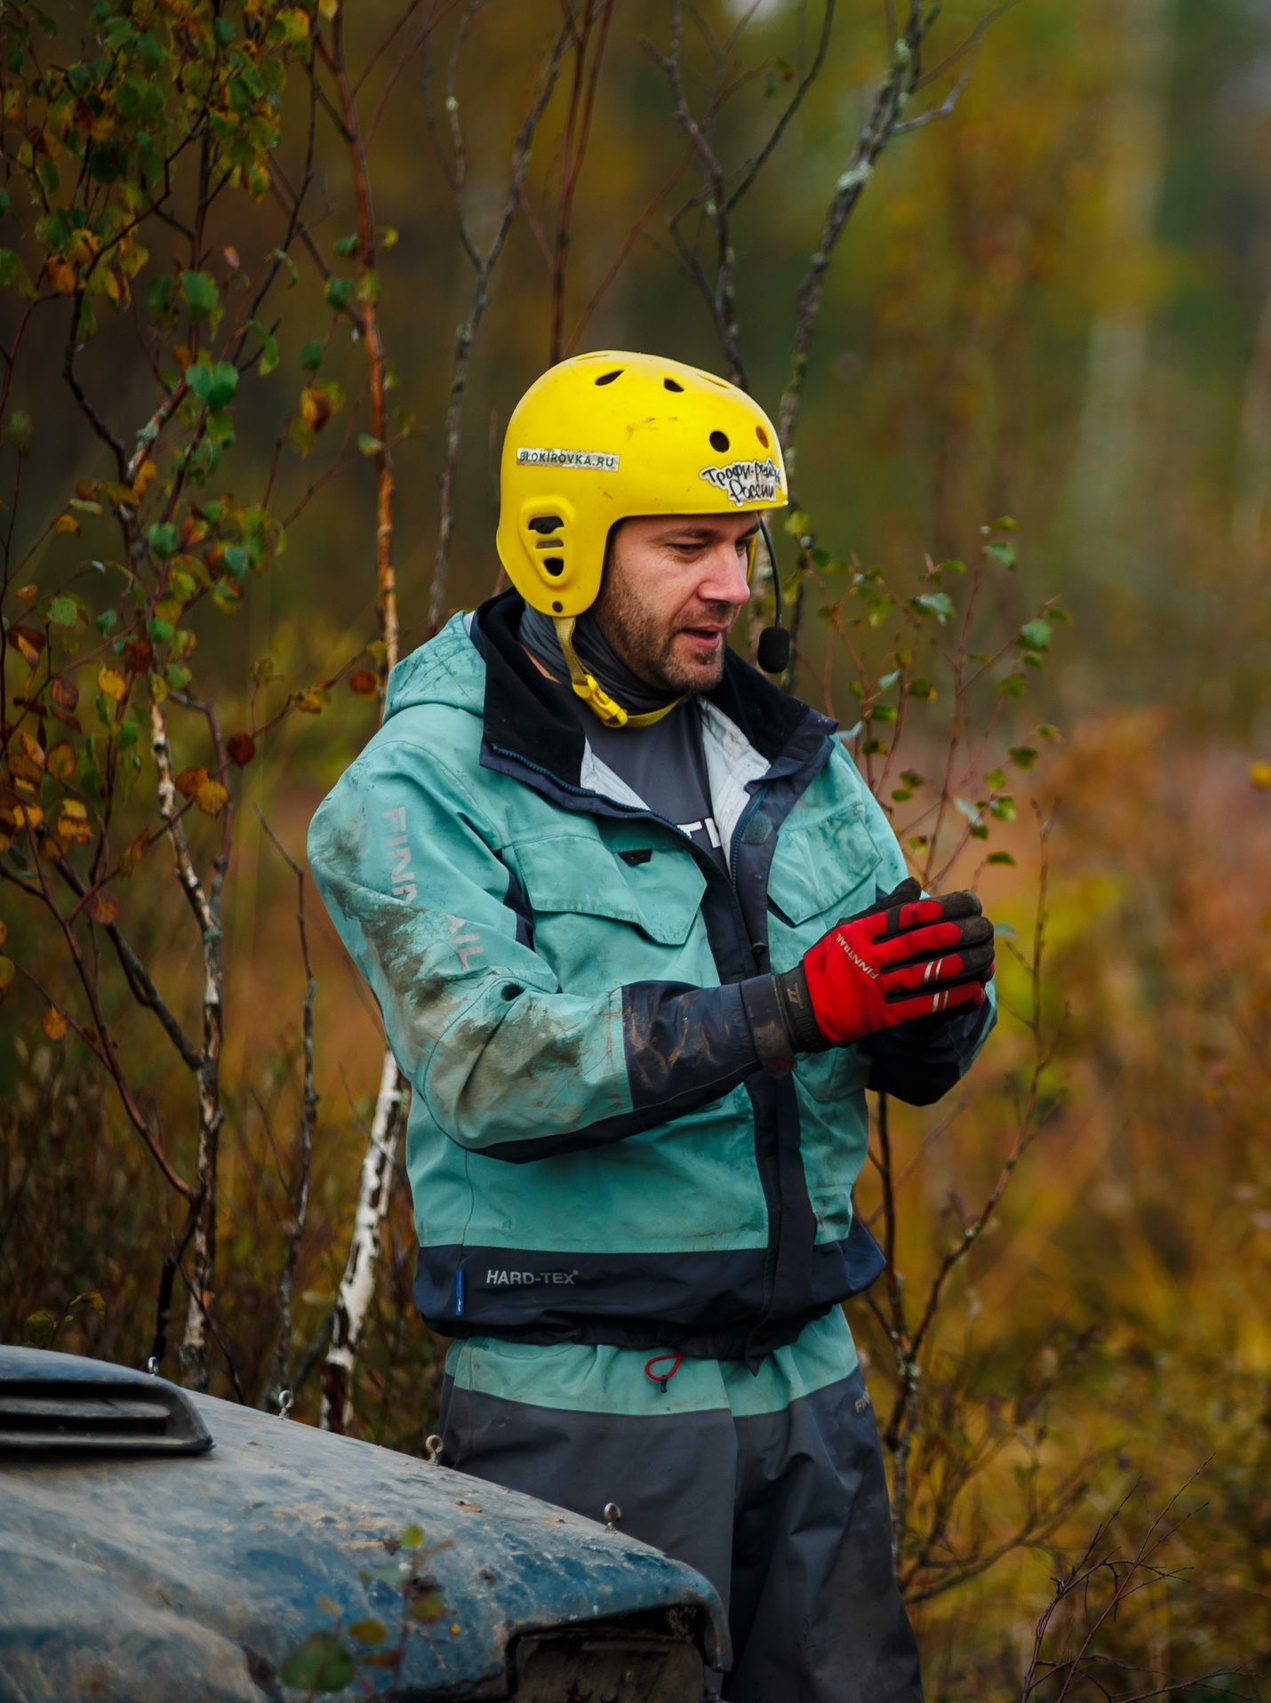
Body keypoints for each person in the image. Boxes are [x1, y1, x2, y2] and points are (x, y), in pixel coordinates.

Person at [311, 350, 994, 1701]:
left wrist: (930, 1011)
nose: (733, 584)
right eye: (688, 547)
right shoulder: (426, 783)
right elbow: (489, 1062)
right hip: (587, 1411)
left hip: (810, 1386)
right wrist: (789, 1007)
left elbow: (875, 1024)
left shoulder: (782, 753)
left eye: (742, 544)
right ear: (561, 546)